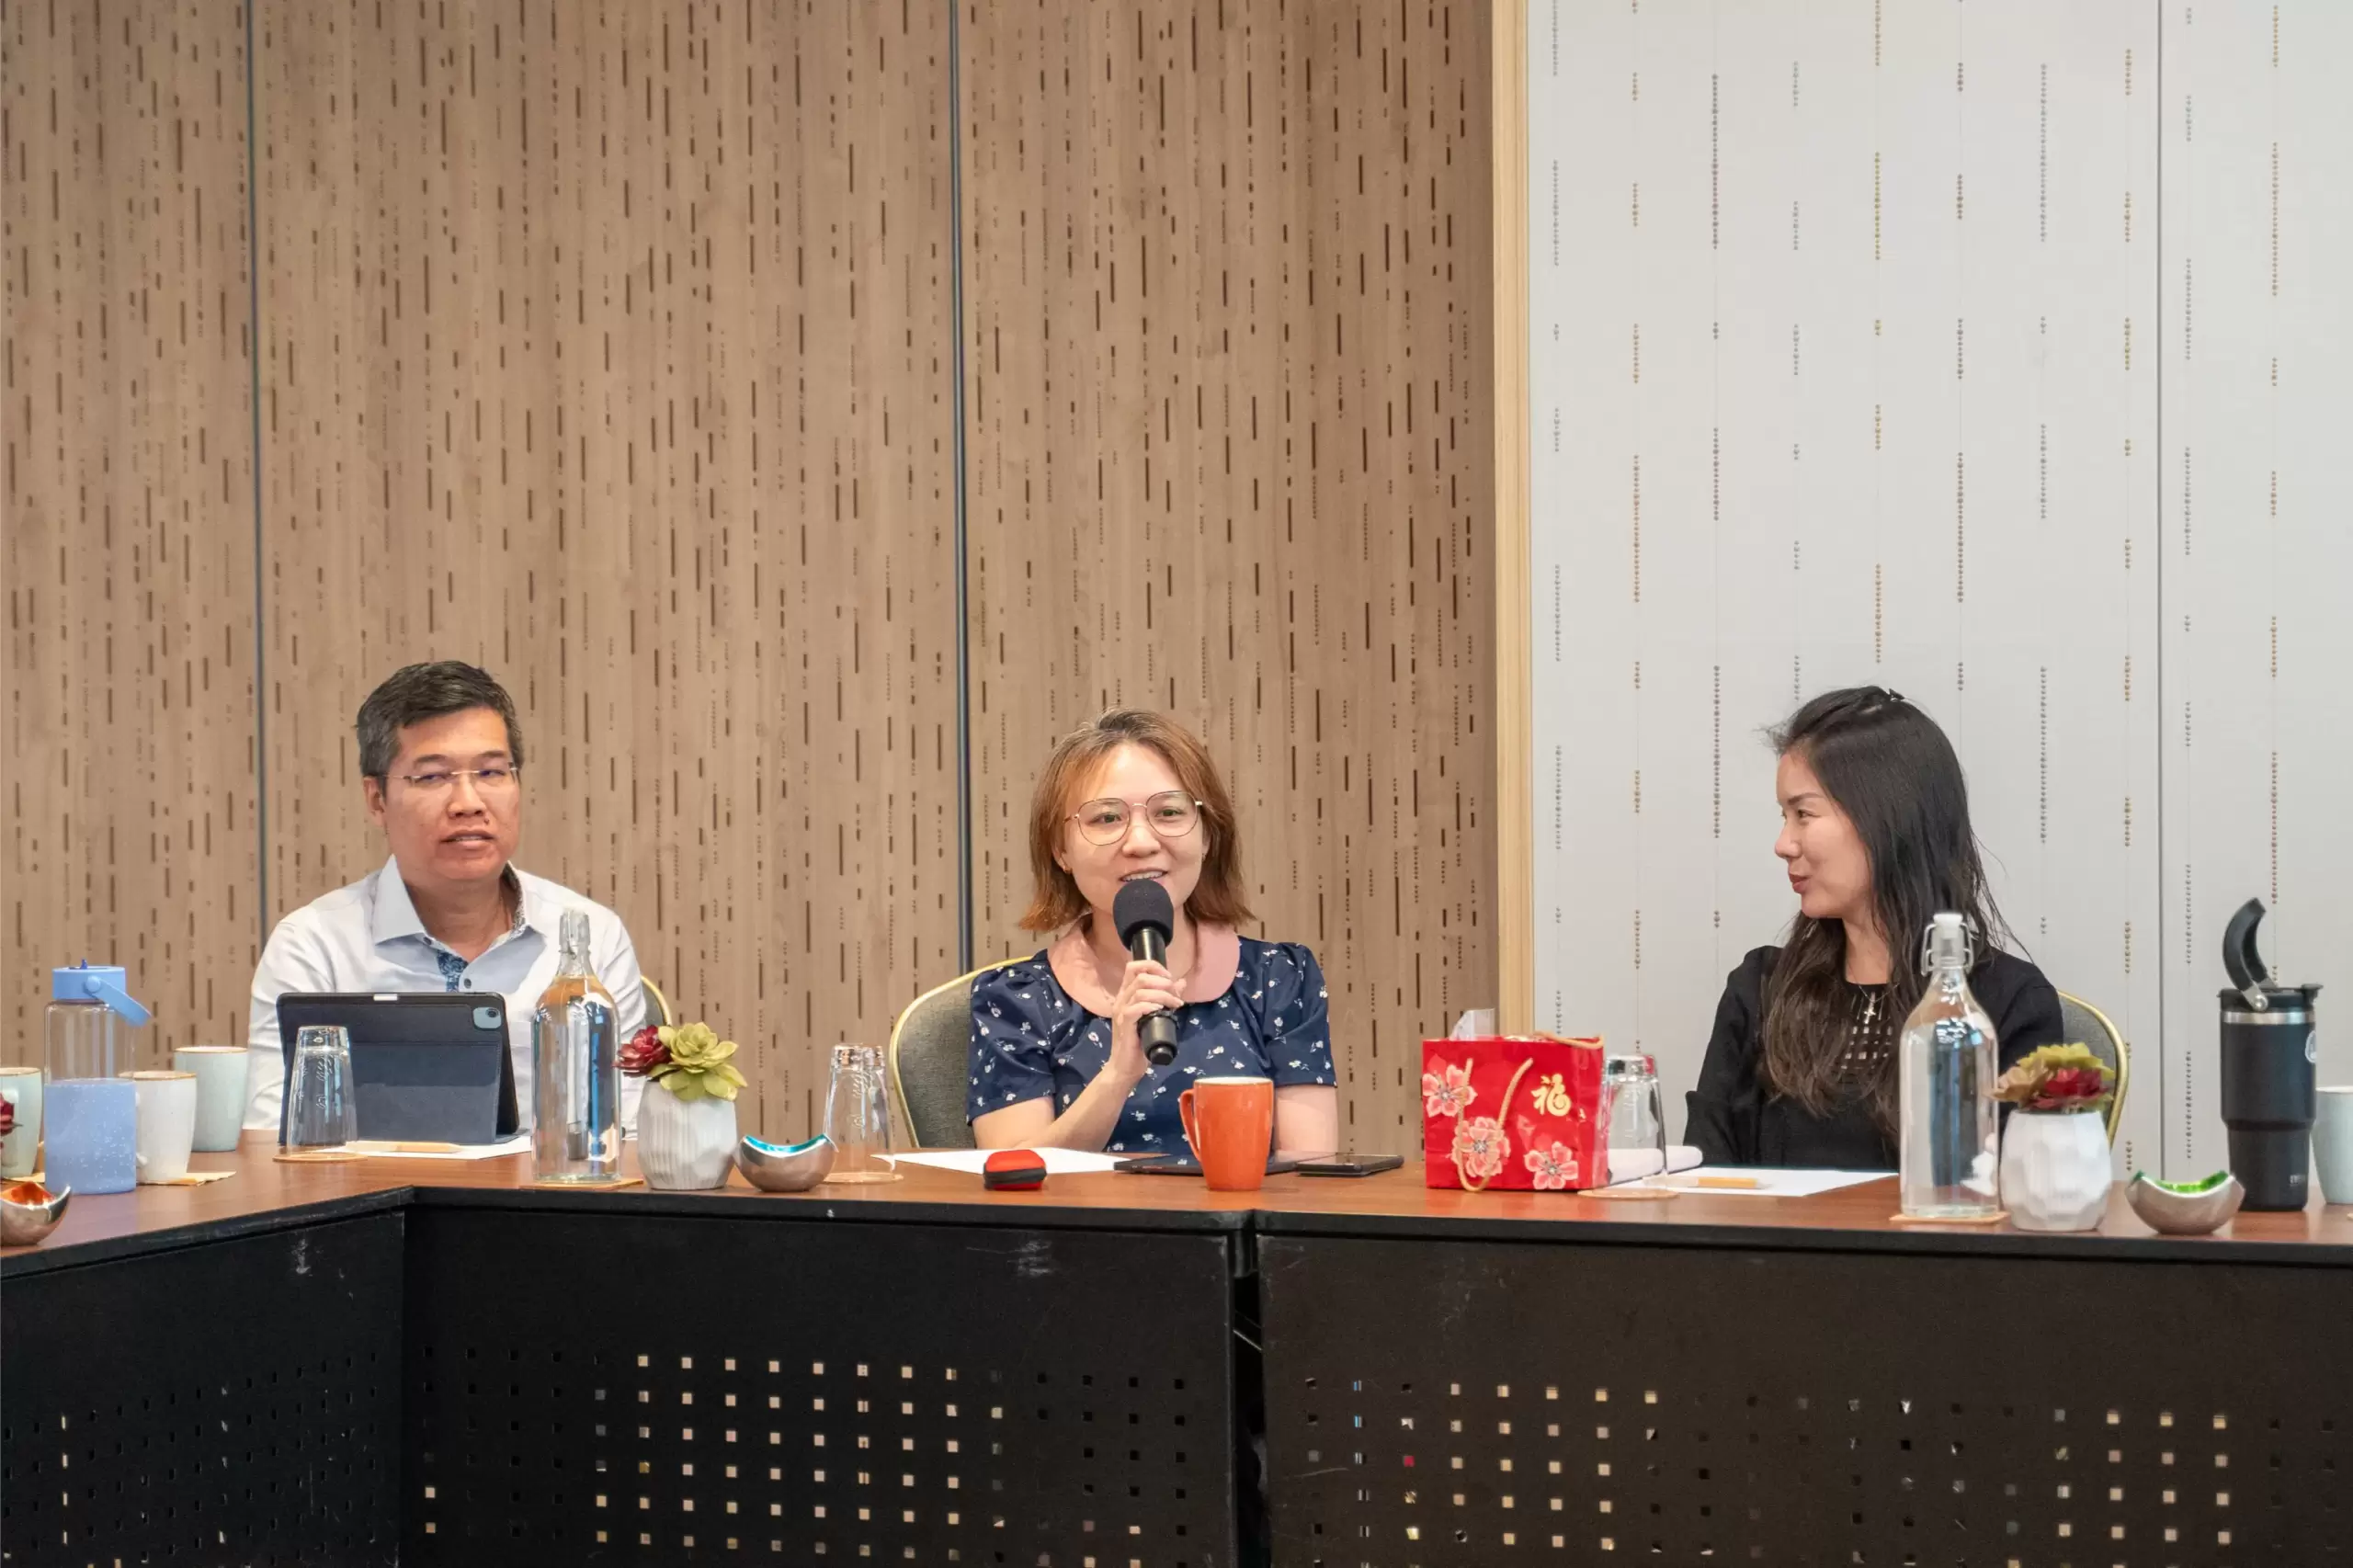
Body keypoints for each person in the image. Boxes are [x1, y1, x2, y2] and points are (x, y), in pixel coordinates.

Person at [244, 662, 645, 1131]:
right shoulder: (315, 945)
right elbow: (274, 1132)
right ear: (376, 799)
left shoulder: (589, 935)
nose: (468, 803)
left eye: (492, 772)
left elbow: (626, 1127)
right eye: (433, 777)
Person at [1686, 687, 2062, 1168]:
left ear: (1885, 820)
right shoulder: (1760, 991)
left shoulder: (2005, 1004)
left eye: (1803, 814)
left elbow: (2018, 1194)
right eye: (1784, 817)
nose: (1783, 843)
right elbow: (1705, 1180)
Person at [969, 710, 1340, 1156]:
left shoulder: (1278, 980)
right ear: (1060, 850)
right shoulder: (1016, 999)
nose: (1141, 842)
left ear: (1207, 836)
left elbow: (1310, 1169)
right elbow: (1013, 1173)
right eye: (1107, 818)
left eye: (1169, 812)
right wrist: (1118, 1075)